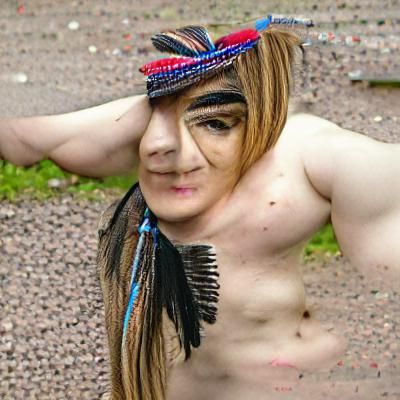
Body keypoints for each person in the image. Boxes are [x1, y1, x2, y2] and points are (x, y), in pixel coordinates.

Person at [1, 17, 399, 400]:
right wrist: (160, 105)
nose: (165, 148)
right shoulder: (146, 132)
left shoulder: (302, 158)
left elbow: (366, 175)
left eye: (215, 124)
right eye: (159, 118)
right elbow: (26, 136)